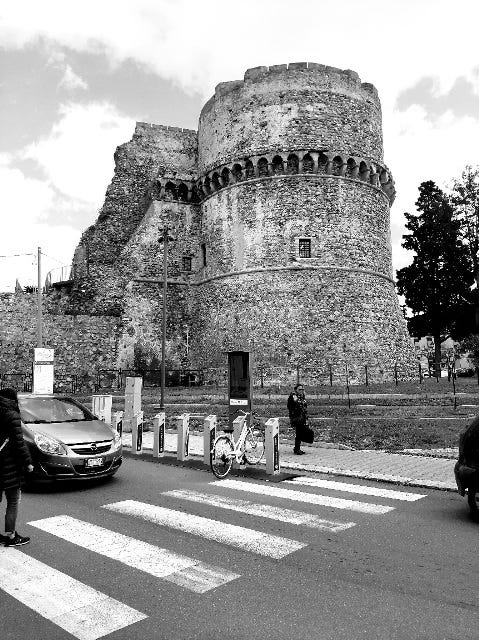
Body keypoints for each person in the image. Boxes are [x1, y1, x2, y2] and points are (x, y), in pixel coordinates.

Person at [0, 388, 34, 546]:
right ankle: (11, 536)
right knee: (13, 500)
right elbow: (19, 443)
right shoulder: (12, 415)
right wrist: (28, 463)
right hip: (9, 465)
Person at [287, 383, 308, 455]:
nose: (301, 390)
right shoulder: (293, 396)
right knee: (299, 433)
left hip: (302, 417)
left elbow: (304, 406)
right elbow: (290, 406)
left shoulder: (302, 396)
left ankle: (297, 448)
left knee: (300, 433)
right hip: (296, 417)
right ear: (296, 390)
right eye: (299, 389)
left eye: (302, 389)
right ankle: (296, 449)